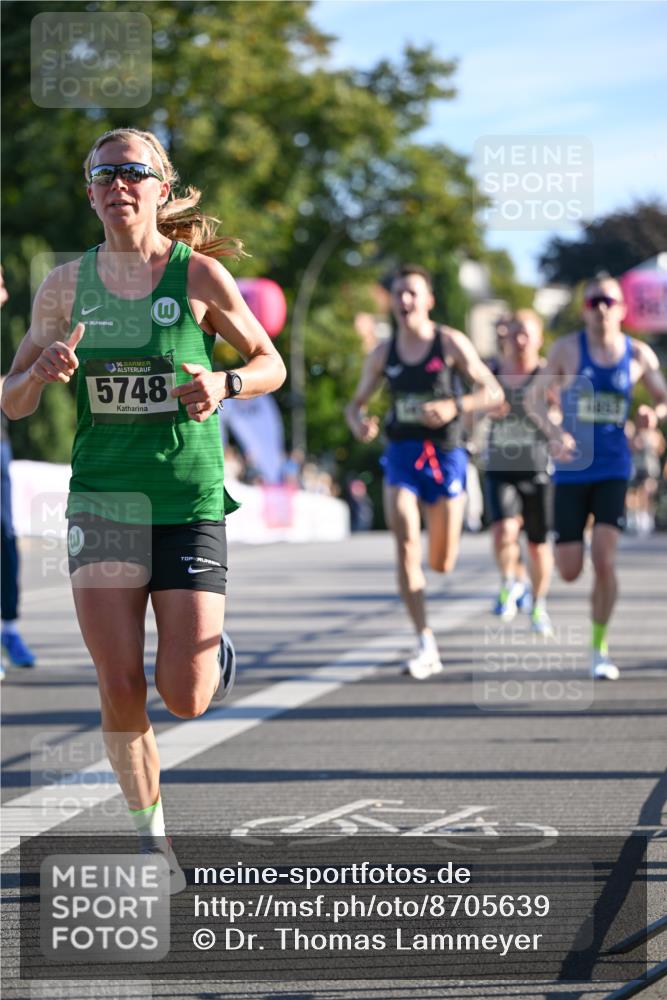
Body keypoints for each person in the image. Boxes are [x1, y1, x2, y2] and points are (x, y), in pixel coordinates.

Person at [1, 127, 286, 885]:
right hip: (103, 502)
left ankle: (210, 655)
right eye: (102, 174)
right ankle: (151, 838)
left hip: (187, 497)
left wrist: (224, 384)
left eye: (132, 171)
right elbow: (12, 397)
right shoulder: (64, 285)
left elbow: (271, 363)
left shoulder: (197, 279)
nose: (117, 184)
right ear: (91, 192)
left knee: (185, 698)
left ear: (162, 186)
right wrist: (43, 372)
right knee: (118, 681)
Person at [346, 264, 503, 679]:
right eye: (399, 293)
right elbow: (354, 404)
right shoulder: (383, 353)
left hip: (447, 453)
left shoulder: (449, 342)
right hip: (402, 452)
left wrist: (456, 406)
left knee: (443, 562)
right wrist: (359, 422)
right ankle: (424, 641)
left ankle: (431, 612)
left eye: (413, 293)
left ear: (428, 300)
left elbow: (492, 391)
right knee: (404, 543)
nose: (405, 301)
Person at [526, 276, 667, 680]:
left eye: (609, 300)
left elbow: (662, 397)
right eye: (593, 302)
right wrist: (555, 433)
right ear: (585, 309)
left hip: (613, 467)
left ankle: (599, 647)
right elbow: (535, 398)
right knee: (570, 570)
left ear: (622, 308)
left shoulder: (637, 354)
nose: (601, 307)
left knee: (604, 562)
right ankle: (572, 549)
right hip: (571, 469)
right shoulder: (568, 350)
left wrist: (652, 416)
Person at [484, 309, 554, 634]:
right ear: (506, 338)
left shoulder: (547, 373)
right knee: (503, 532)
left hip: (537, 468)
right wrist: (484, 409)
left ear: (539, 338)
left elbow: (562, 416)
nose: (520, 340)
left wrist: (543, 412)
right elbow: (469, 411)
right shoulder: (492, 373)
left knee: (537, 545)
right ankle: (509, 582)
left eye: (526, 333)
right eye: (514, 334)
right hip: (500, 466)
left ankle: (538, 604)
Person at [1, 268, 36, 675]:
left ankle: (9, 628)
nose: (5, 293)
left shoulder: (12, 329)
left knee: (5, 535)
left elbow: (14, 382)